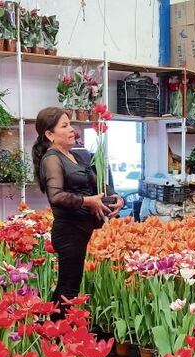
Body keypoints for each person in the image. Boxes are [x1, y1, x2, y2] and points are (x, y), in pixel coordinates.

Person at [32, 106, 123, 314]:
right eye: (65, 126)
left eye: (70, 124)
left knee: (71, 284)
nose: (71, 129)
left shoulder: (76, 156)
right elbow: (56, 197)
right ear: (49, 134)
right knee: (68, 286)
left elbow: (98, 183)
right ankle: (54, 334)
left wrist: (117, 198)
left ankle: (53, 331)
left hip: (82, 230)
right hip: (68, 232)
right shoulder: (52, 159)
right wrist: (88, 201)